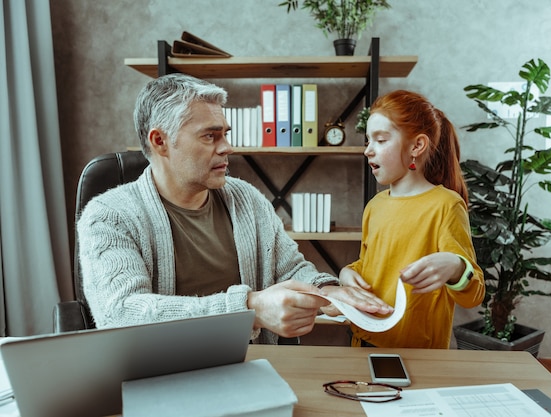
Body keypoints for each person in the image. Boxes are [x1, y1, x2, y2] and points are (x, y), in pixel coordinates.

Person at [77, 73, 391, 344]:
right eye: (210, 136)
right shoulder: (109, 216)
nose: (227, 147)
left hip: (252, 366)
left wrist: (327, 290)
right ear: (160, 141)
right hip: (160, 378)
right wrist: (249, 309)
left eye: (225, 133)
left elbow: (289, 268)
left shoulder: (246, 198)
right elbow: (122, 316)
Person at [339, 90, 485, 349]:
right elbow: (372, 264)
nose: (368, 151)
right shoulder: (375, 207)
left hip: (420, 358)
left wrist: (455, 267)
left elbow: (474, 294)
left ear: (417, 146)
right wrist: (348, 273)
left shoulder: (446, 206)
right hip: (364, 344)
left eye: (381, 140)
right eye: (367, 141)